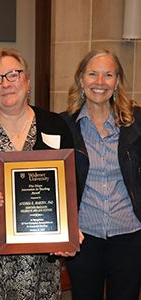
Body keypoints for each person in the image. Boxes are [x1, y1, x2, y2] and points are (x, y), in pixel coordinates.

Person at [0, 48, 75, 300]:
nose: (6, 84)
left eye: (13, 74)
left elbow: (70, 184)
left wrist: (68, 231)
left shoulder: (54, 125)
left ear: (27, 81)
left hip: (42, 257)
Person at [61, 49, 141, 300]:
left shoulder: (136, 121)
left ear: (117, 82)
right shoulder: (63, 125)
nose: (100, 82)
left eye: (108, 75)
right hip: (85, 236)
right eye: (93, 74)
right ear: (81, 79)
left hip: (129, 235)